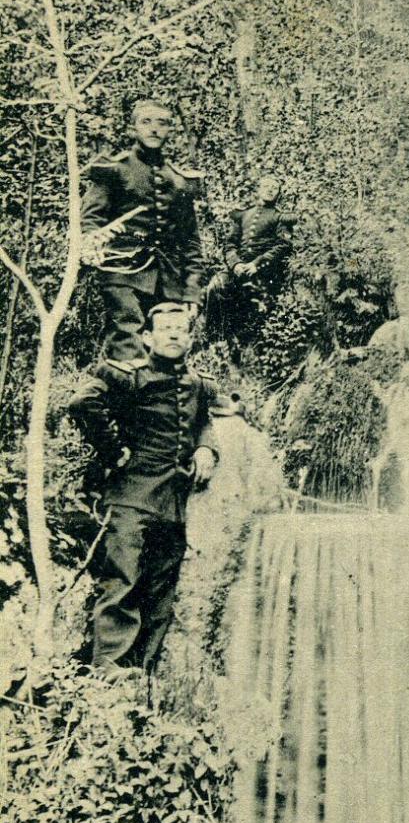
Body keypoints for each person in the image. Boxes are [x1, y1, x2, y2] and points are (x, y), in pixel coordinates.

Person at [67, 302, 219, 675]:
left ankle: (144, 672)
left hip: (173, 504)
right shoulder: (128, 378)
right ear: (148, 337)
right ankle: (109, 666)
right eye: (165, 329)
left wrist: (206, 448)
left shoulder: (198, 384)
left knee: (160, 591)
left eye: (180, 329)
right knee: (123, 580)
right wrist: (112, 451)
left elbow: (204, 421)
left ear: (189, 338)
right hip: (131, 498)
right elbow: (82, 401)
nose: (173, 335)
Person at [80, 97, 206, 362]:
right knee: (128, 343)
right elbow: (91, 221)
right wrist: (94, 250)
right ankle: (126, 401)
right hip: (122, 273)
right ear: (133, 128)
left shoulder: (178, 180)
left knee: (166, 348)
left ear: (170, 129)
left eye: (162, 123)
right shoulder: (115, 170)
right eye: (146, 122)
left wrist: (192, 289)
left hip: (167, 279)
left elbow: (191, 241)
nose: (154, 129)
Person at [204, 174, 294, 343]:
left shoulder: (279, 217)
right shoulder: (244, 215)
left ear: (278, 194)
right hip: (237, 268)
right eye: (266, 186)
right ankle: (213, 341)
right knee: (215, 287)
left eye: (274, 188)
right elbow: (229, 244)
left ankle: (240, 345)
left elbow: (283, 246)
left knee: (249, 305)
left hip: (263, 272)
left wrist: (257, 265)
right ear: (259, 189)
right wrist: (236, 264)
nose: (270, 190)